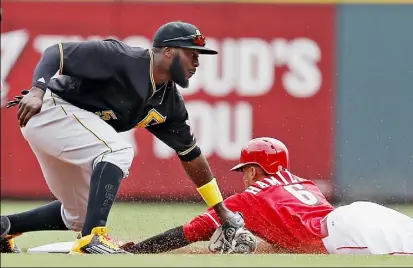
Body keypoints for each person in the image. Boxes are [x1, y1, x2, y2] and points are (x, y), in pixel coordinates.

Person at [0, 21, 245, 254]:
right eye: (192, 53)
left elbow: (191, 155)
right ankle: (93, 238)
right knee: (117, 150)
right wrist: (36, 90)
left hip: (61, 127)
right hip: (49, 108)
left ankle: (5, 228)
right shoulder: (122, 58)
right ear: (169, 51)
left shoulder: (168, 103)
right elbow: (57, 52)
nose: (197, 61)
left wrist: (221, 210)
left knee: (81, 215)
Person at [120, 137, 413, 255]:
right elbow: (297, 234)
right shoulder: (303, 183)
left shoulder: (249, 199)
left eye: (245, 169)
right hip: (359, 214)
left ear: (255, 170)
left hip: (347, 232)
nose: (244, 176)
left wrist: (136, 251)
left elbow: (189, 232)